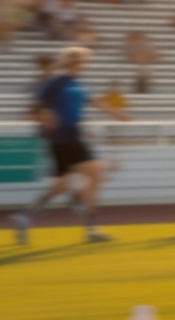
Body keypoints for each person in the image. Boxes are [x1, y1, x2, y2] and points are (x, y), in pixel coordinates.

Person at [12, 45, 124, 245]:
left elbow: (94, 101)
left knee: (59, 187)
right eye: (82, 60)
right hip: (67, 138)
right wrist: (46, 118)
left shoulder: (79, 83)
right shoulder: (56, 81)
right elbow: (36, 105)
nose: (85, 64)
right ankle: (90, 227)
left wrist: (115, 113)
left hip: (66, 140)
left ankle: (25, 216)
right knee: (98, 175)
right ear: (72, 62)